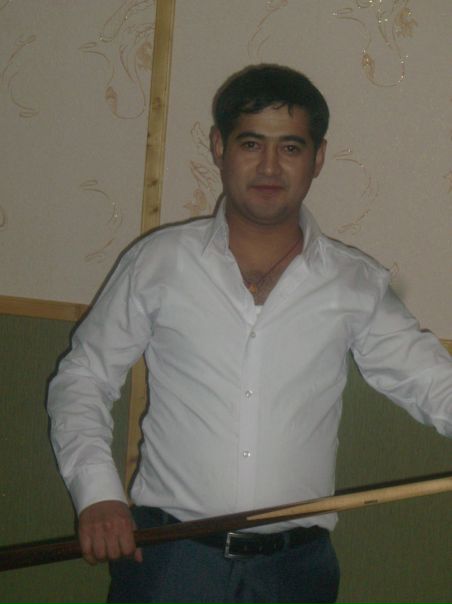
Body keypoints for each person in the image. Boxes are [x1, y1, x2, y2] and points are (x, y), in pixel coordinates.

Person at [47, 64, 452, 604]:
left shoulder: (353, 282)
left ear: (318, 158)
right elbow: (83, 378)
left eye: (291, 148)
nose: (269, 166)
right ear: (219, 147)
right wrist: (98, 494)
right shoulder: (160, 262)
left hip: (295, 572)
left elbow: (432, 383)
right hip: (170, 562)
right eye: (251, 143)